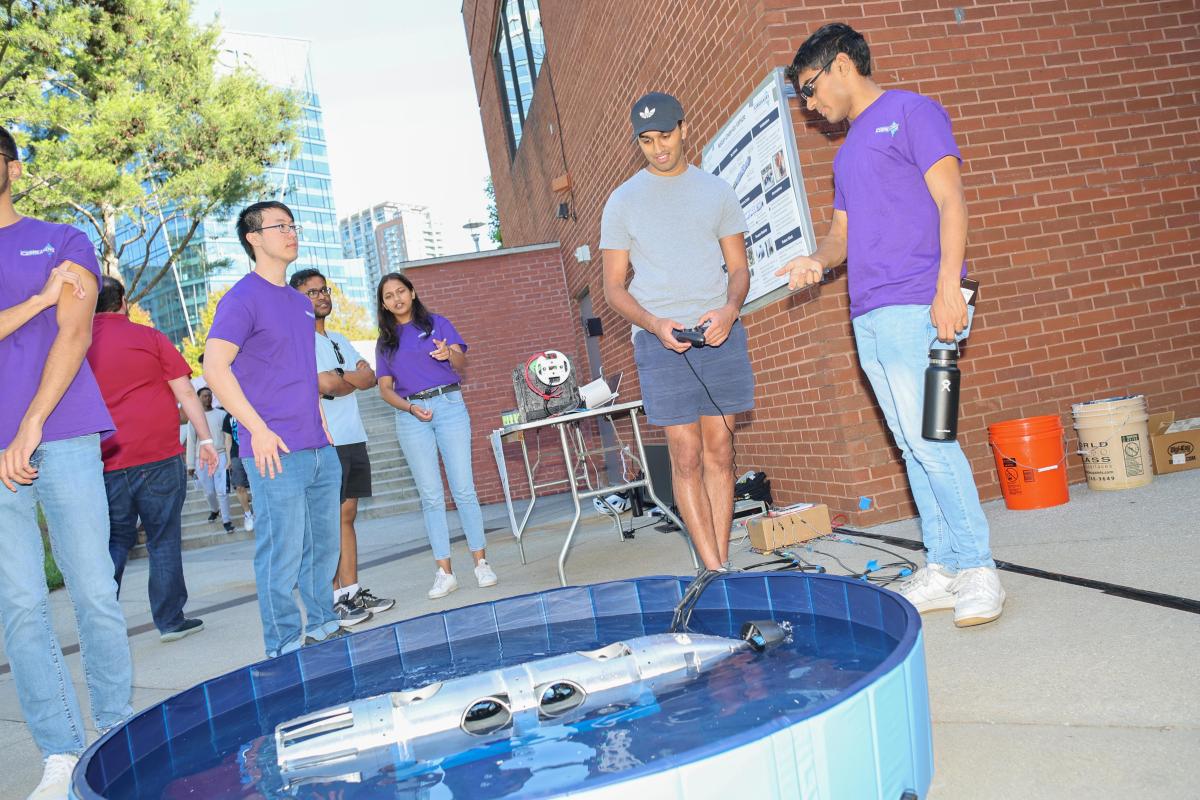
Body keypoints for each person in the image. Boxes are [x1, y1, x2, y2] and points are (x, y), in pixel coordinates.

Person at [779, 23, 1004, 626]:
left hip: (919, 306)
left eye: (809, 87)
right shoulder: (846, 153)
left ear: (843, 65)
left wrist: (947, 291)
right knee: (910, 446)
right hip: (868, 318)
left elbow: (951, 201)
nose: (810, 103)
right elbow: (840, 239)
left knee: (934, 440)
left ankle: (980, 568)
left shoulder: (912, 112)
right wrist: (814, 262)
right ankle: (944, 566)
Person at [0, 125, 133, 798]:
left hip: (64, 432)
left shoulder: (62, 239)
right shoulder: (46, 271)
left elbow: (76, 332)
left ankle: (114, 731)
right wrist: (35, 301)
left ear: (13, 168)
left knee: (95, 593)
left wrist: (30, 421)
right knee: (19, 606)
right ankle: (59, 750)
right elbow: (50, 312)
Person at [600, 92, 754, 572]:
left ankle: (720, 561)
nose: (658, 148)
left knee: (720, 450)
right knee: (684, 455)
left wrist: (730, 308)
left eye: (665, 136)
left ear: (684, 129)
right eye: (646, 141)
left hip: (719, 333)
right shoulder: (622, 201)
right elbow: (612, 288)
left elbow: (740, 269)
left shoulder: (716, 191)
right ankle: (713, 569)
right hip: (660, 340)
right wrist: (653, 322)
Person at [203, 201, 343, 656]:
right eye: (279, 226)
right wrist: (256, 429)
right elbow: (214, 367)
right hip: (273, 450)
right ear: (254, 238)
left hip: (319, 445)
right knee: (280, 555)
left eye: (293, 224)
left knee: (323, 549)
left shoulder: (300, 304)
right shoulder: (241, 298)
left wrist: (318, 412)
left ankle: (323, 627)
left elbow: (298, 369)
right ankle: (283, 647)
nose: (291, 232)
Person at [87, 275, 215, 642]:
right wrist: (205, 439)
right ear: (123, 301)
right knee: (163, 538)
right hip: (158, 455)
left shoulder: (77, 346)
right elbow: (186, 392)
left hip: (106, 461)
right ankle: (170, 621)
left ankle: (101, 627)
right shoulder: (151, 338)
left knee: (113, 542)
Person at [374, 272, 497, 599]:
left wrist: (448, 354)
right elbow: (385, 390)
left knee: (463, 489)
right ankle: (445, 573)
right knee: (431, 496)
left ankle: (481, 563)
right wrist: (410, 408)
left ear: (412, 293)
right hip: (411, 414)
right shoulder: (385, 341)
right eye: (389, 296)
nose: (396, 298)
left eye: (401, 291)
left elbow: (460, 360)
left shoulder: (438, 324)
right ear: (384, 304)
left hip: (449, 405)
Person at [290, 267, 393, 625]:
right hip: (325, 440)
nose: (321, 297)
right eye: (311, 292)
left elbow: (369, 378)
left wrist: (341, 378)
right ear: (295, 300)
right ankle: (331, 598)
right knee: (329, 521)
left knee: (347, 517)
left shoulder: (339, 339)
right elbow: (326, 385)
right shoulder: (297, 342)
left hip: (352, 437)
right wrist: (345, 379)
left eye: (323, 290)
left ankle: (350, 591)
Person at [186, 387, 235, 533]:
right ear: (198, 398)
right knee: (209, 492)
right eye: (204, 396)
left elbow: (228, 439)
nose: (207, 398)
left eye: (209, 396)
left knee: (222, 491)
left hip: (219, 456)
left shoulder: (222, 415)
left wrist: (228, 458)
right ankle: (214, 509)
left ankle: (226, 521)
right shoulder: (193, 418)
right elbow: (191, 441)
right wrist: (190, 464)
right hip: (201, 458)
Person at [221, 410, 254, 531]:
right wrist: (229, 459)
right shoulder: (228, 417)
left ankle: (259, 511)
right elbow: (228, 439)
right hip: (236, 454)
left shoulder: (249, 409)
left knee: (257, 484)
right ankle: (247, 514)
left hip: (253, 452)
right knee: (239, 486)